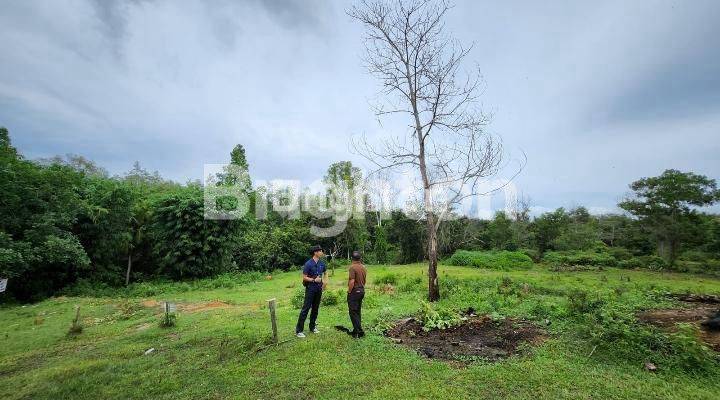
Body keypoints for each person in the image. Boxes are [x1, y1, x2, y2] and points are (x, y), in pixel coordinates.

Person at [295, 245, 327, 338]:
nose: (322, 252)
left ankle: (312, 327)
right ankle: (299, 330)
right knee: (306, 309)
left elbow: (325, 272)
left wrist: (325, 282)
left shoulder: (321, 263)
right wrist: (313, 280)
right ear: (315, 252)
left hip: (319, 289)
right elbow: (304, 277)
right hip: (310, 288)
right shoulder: (308, 264)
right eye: (320, 251)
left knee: (315, 308)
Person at [347, 250, 367, 338]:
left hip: (355, 291)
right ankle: (357, 329)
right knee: (357, 311)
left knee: (352, 312)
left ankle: (359, 331)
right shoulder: (363, 267)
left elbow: (352, 281)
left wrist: (349, 291)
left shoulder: (352, 267)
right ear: (360, 258)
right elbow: (364, 280)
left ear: (352, 258)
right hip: (362, 290)